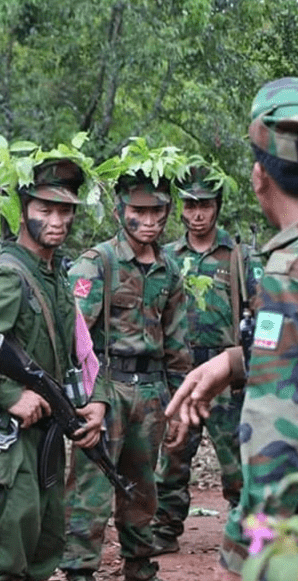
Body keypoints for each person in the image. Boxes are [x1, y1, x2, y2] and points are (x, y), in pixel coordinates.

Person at [0, 159, 107, 581]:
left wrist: (91, 402)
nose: (57, 221)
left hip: (43, 437)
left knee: (43, 550)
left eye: (65, 210)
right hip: (5, 443)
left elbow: (75, 351)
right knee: (4, 559)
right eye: (44, 210)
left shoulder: (53, 275)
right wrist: (9, 394)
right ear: (23, 211)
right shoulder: (9, 276)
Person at [165, 77, 298, 577]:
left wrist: (243, 558)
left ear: (258, 176)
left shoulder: (282, 272)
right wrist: (238, 360)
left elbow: (274, 460)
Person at [60, 171, 191, 581]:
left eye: (157, 211)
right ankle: (80, 570)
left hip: (151, 392)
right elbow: (74, 338)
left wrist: (178, 406)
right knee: (91, 489)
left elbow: (176, 344)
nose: (149, 220)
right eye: (139, 211)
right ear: (120, 212)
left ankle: (139, 565)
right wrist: (90, 397)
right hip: (107, 388)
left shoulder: (170, 269)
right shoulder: (97, 263)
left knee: (142, 487)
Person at [152, 164, 261, 555]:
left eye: (205, 205)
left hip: (227, 373)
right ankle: (163, 529)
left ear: (217, 208)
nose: (197, 214)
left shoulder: (238, 257)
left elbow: (259, 311)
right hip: (181, 368)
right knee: (173, 455)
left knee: (237, 460)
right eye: (191, 205)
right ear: (180, 209)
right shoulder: (166, 257)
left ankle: (247, 531)